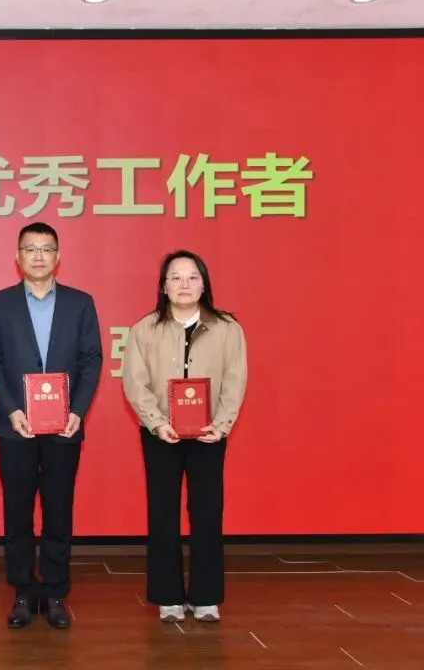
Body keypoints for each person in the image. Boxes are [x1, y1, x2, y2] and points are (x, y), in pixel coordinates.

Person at [0, 222, 104, 630]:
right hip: (14, 426)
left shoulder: (80, 303)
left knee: (58, 511)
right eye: (30, 249)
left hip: (64, 427)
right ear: (17, 257)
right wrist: (11, 408)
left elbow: (92, 360)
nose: (38, 256)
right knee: (17, 512)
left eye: (46, 249)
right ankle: (22, 592)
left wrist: (78, 410)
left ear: (58, 256)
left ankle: (54, 592)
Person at [120, 249, 248, 624]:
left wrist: (221, 424)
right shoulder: (144, 329)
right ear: (163, 286)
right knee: (163, 514)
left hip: (209, 436)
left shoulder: (227, 329)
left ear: (204, 284)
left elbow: (236, 380)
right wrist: (156, 421)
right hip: (161, 435)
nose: (184, 284)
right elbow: (135, 382)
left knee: (207, 514)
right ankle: (168, 596)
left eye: (192, 277)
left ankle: (206, 597)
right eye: (175, 278)